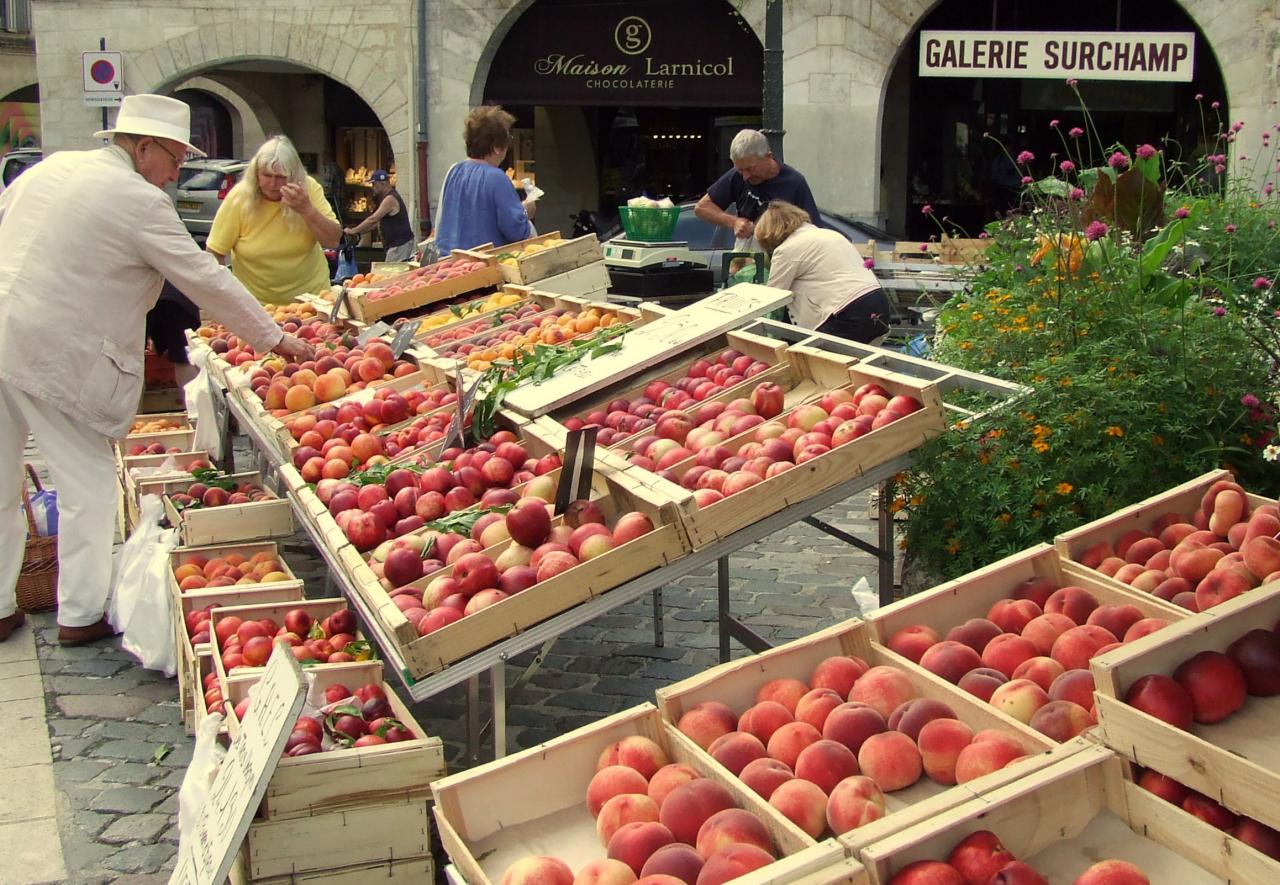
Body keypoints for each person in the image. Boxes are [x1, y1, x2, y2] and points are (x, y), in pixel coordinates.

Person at [0, 94, 311, 645]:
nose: (175, 173)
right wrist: (274, 337)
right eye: (173, 158)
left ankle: (1, 607)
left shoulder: (50, 170)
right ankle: (79, 614)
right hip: (53, 350)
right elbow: (203, 277)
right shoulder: (136, 200)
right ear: (142, 148)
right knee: (87, 482)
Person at [207, 135, 341, 305]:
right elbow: (215, 252)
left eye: (281, 177)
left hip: (311, 300)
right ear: (255, 174)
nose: (272, 183)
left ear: (294, 176)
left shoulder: (308, 188)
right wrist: (224, 298)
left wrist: (307, 210)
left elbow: (333, 240)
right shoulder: (240, 197)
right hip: (256, 304)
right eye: (266, 175)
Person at [754, 201, 892, 343]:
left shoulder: (786, 250)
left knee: (805, 358)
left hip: (847, 312)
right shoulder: (830, 234)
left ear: (769, 234)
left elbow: (773, 297)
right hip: (878, 303)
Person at [694, 129, 820, 252]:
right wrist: (734, 222)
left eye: (751, 169)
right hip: (748, 258)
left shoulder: (794, 182)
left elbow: (813, 229)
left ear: (768, 156)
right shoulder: (736, 176)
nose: (745, 176)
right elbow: (702, 208)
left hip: (784, 254)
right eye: (740, 170)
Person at [432, 106, 534, 254]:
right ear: (497, 147)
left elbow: (441, 224)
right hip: (484, 267)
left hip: (451, 265)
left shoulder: (453, 171)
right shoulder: (497, 178)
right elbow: (517, 231)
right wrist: (525, 212)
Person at [342, 169, 416, 262]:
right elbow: (376, 223)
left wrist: (353, 231)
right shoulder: (387, 198)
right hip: (396, 245)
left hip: (399, 246)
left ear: (383, 183)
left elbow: (373, 219)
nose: (372, 187)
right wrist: (359, 232)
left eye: (374, 184)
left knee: (391, 273)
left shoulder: (390, 199)